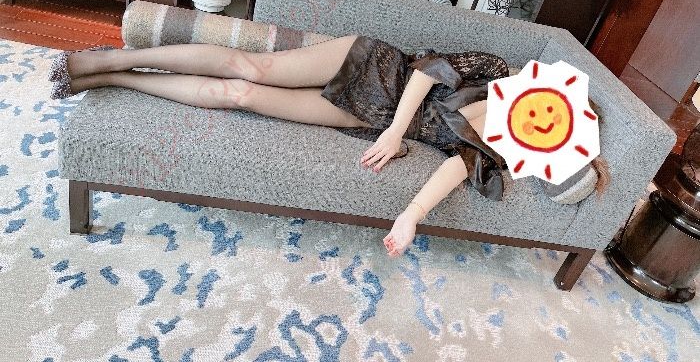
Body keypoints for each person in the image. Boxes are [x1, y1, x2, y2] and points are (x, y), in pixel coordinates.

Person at [49, 34, 609, 257]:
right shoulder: (496, 70)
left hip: (360, 116)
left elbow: (451, 174)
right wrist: (397, 131)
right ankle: (111, 58)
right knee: (252, 67)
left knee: (239, 95)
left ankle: (114, 77)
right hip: (378, 69)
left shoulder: (495, 153)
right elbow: (427, 70)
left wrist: (409, 217)